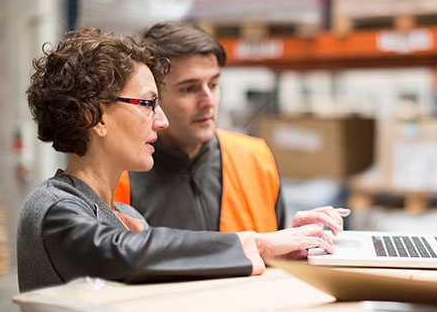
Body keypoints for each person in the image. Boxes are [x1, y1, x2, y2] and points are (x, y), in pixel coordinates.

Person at [17, 28, 335, 293]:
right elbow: (123, 254)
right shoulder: (53, 207)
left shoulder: (125, 214)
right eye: (148, 104)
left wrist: (283, 249)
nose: (162, 121)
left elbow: (176, 273)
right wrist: (259, 244)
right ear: (95, 116)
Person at [113, 21, 348, 235]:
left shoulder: (254, 158)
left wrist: (291, 237)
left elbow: (270, 255)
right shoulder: (120, 176)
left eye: (213, 85)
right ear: (154, 97)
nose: (208, 101)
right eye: (189, 89)